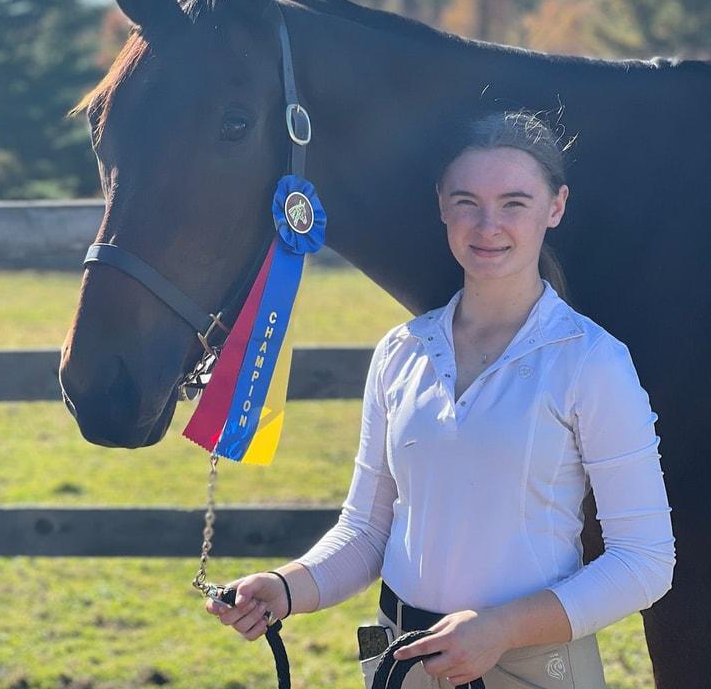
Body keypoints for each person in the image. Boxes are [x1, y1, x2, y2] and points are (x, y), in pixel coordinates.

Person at [206, 110, 675, 688]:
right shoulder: (400, 351)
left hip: (529, 669)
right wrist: (285, 587)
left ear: (555, 207)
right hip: (396, 660)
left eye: (514, 203)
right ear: (441, 206)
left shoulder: (592, 361)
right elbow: (366, 531)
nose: (487, 225)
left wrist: (499, 630)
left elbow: (645, 560)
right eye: (466, 201)